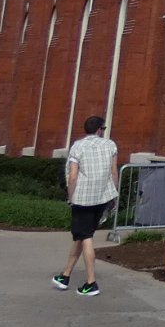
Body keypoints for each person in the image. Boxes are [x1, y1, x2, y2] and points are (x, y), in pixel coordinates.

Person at [53, 115, 118, 297]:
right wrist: (115, 194)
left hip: (82, 198)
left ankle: (91, 282)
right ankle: (65, 275)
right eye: (103, 129)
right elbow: (114, 172)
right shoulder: (110, 145)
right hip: (102, 196)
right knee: (82, 234)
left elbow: (73, 176)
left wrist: (70, 196)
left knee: (86, 235)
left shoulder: (78, 146)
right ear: (99, 130)